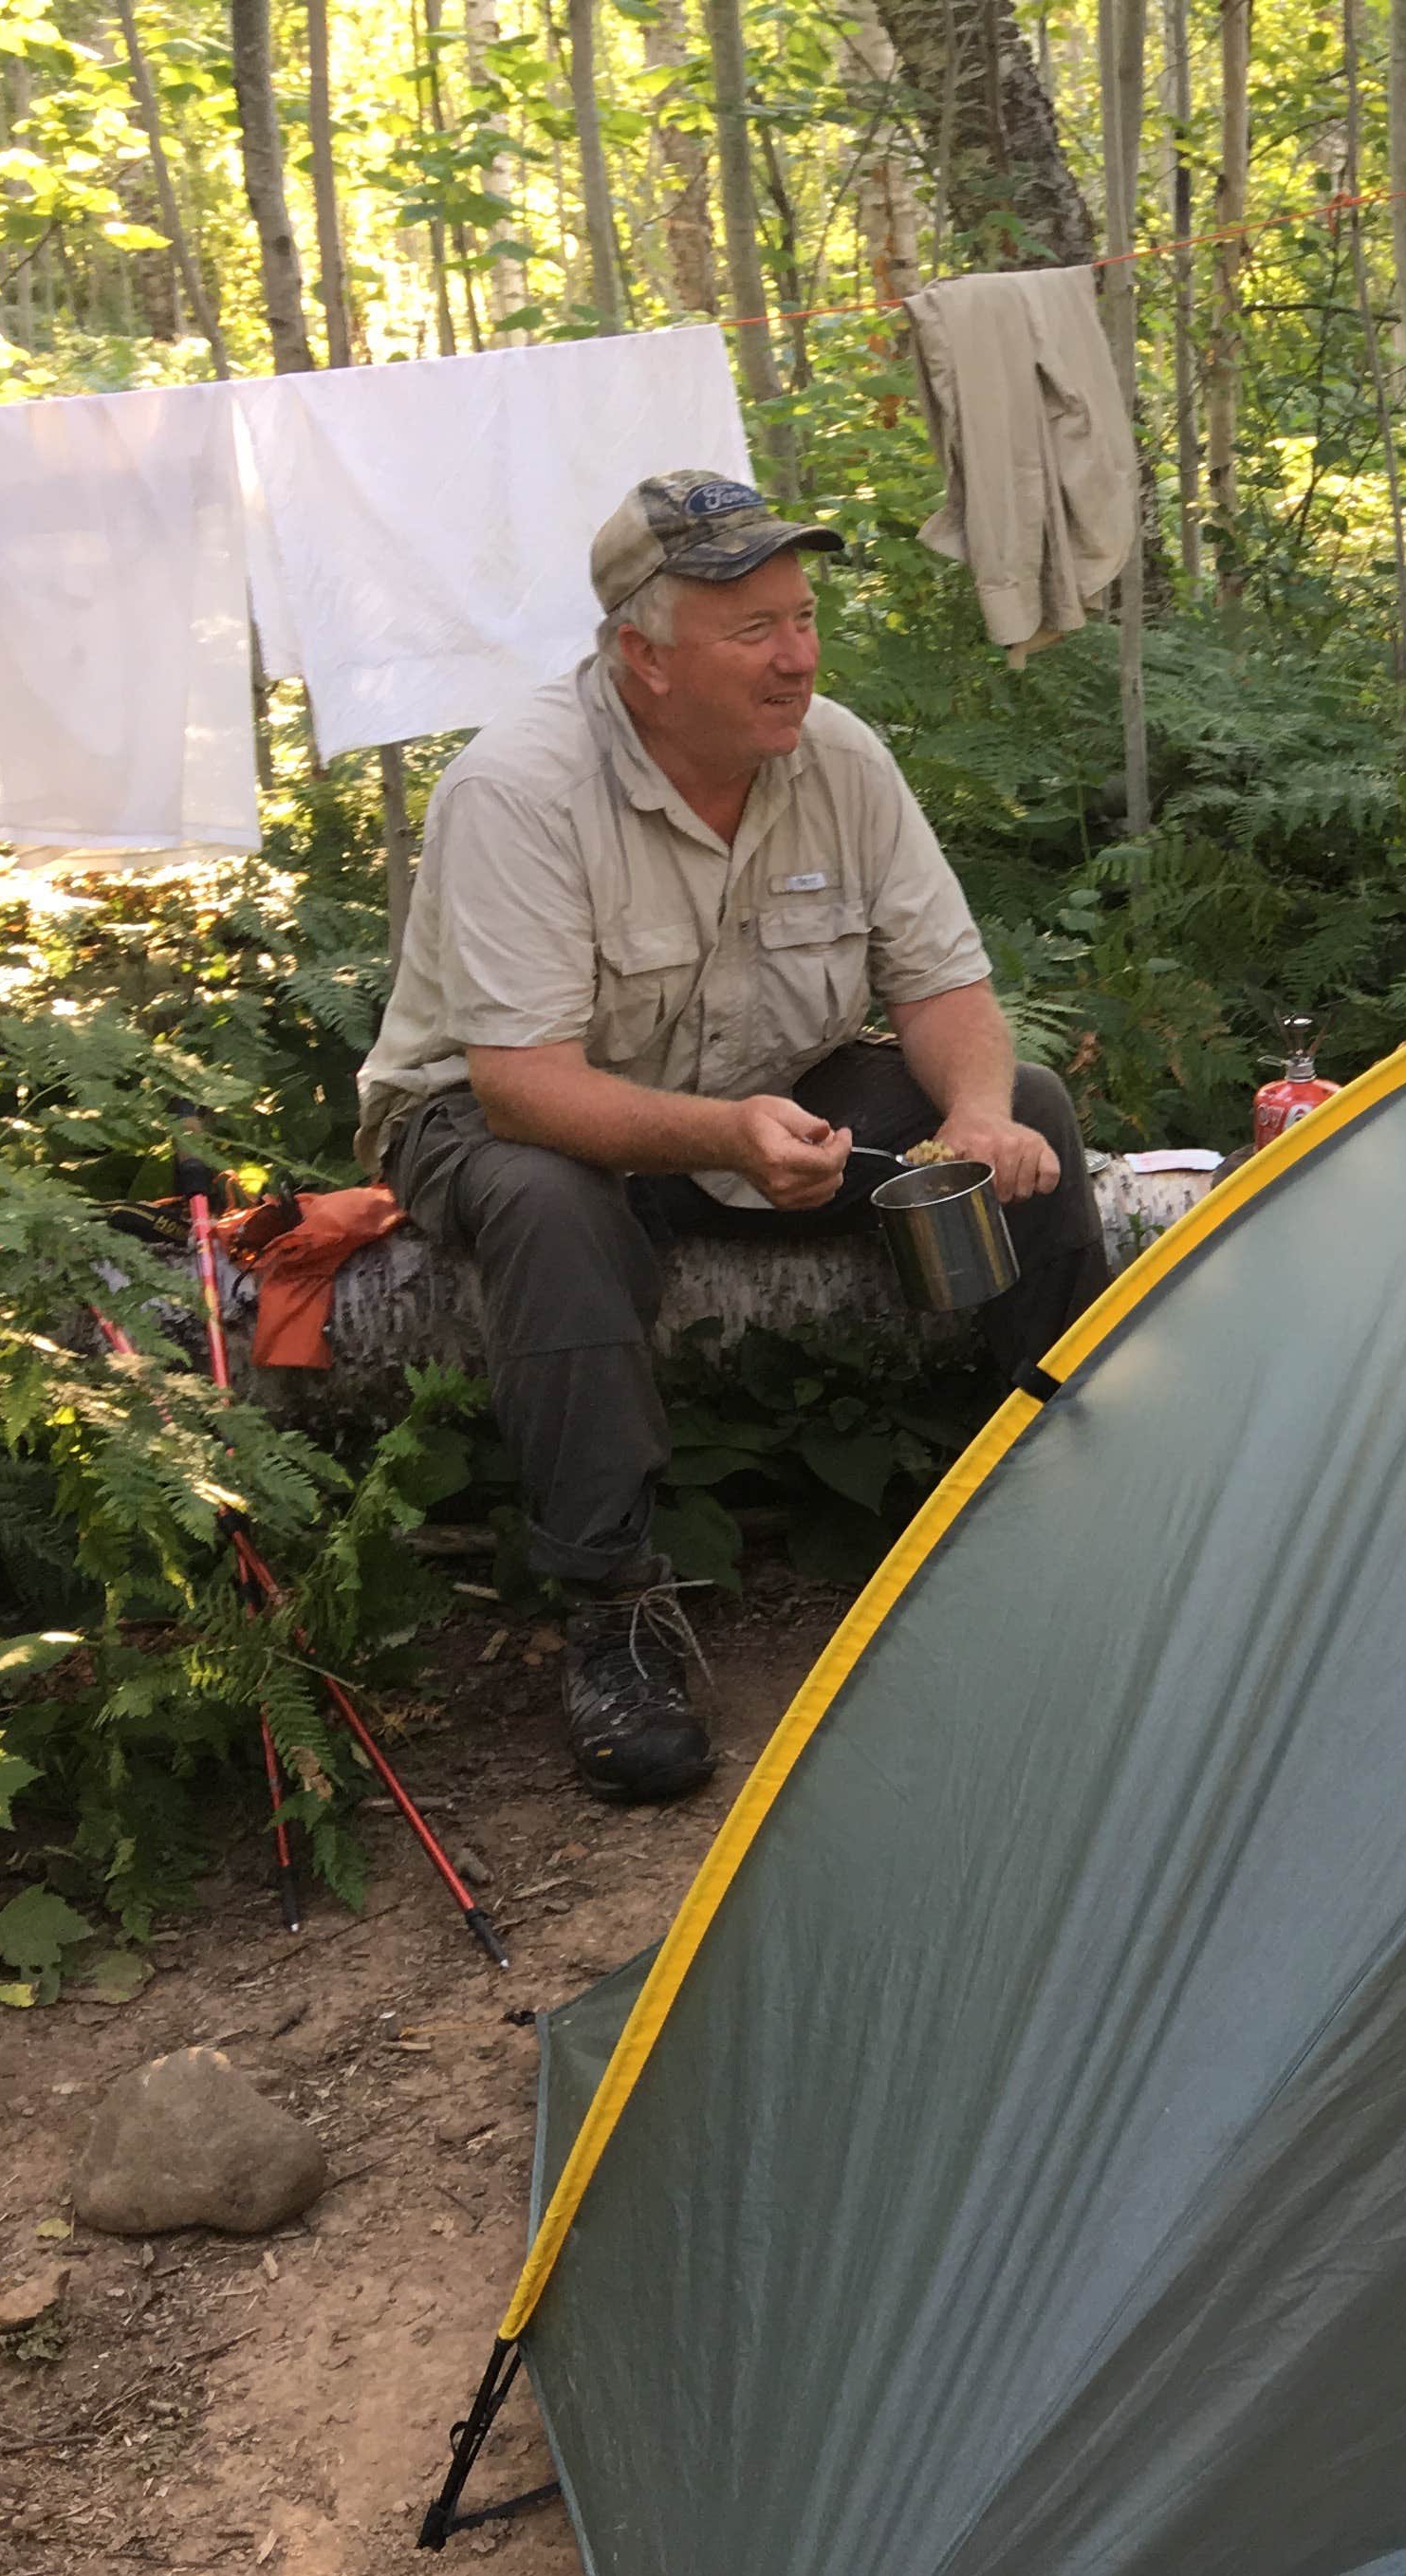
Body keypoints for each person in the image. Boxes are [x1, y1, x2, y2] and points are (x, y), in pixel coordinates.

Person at [356, 470, 1111, 1804]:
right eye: (754, 629)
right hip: (509, 1117)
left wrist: (979, 1117)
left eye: (804, 617)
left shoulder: (841, 758)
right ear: (643, 657)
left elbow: (942, 990)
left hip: (768, 1090)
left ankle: (1063, 1505)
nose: (798, 656)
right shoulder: (518, 789)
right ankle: (611, 1614)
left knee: (1034, 1109)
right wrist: (719, 1132)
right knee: (549, 1203)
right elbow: (524, 1085)